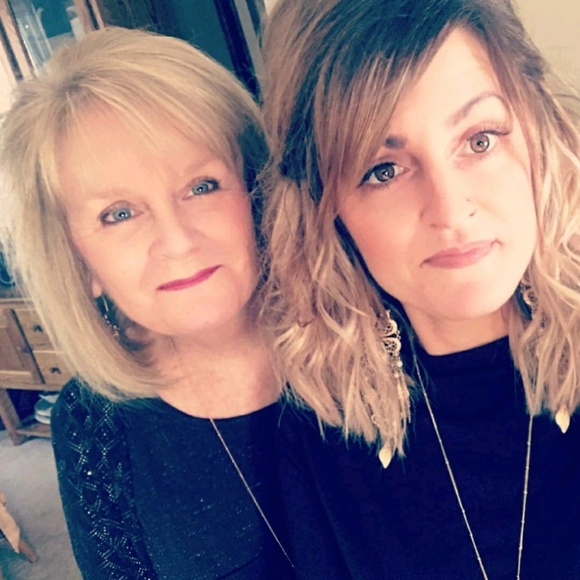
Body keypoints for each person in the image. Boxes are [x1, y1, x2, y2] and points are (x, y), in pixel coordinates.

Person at [260, 0, 580, 578]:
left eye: (480, 139)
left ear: (538, 129)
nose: (450, 210)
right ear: (327, 208)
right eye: (383, 170)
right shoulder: (322, 434)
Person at [0, 27, 294, 579]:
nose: (178, 240)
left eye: (202, 186)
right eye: (119, 214)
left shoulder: (369, 332)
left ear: (255, 190)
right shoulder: (92, 425)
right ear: (78, 261)